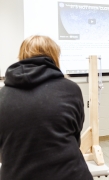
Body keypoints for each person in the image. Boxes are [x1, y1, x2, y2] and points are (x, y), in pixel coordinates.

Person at [0, 35, 92, 180]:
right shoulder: (71, 89)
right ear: (54, 56)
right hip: (70, 174)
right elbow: (75, 136)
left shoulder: (2, 96)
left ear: (21, 55)